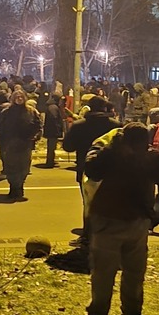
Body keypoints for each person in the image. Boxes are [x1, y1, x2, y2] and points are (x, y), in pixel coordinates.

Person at [82, 123, 159, 315]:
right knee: (129, 272)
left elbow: (91, 170)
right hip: (126, 219)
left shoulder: (116, 154)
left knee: (108, 273)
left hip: (117, 218)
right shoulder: (125, 156)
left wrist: (110, 150)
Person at [62, 96, 121, 247]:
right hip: (112, 170)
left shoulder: (79, 125)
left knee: (88, 204)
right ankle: (107, 235)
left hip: (86, 168)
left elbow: (68, 147)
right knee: (110, 203)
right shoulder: (115, 125)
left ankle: (87, 236)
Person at [0, 89, 43, 200]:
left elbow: (38, 125)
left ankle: (20, 187)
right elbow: (0, 128)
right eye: (17, 97)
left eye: (21, 97)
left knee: (24, 168)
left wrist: (35, 137)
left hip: (25, 144)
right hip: (11, 144)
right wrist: (3, 143)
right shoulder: (6, 112)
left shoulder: (31, 111)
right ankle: (13, 188)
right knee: (11, 168)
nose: (19, 99)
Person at [41, 93, 65, 168]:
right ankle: (50, 162)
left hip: (51, 130)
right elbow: (54, 118)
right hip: (53, 131)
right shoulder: (53, 107)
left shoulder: (52, 106)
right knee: (51, 147)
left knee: (52, 146)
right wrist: (58, 128)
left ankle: (51, 160)